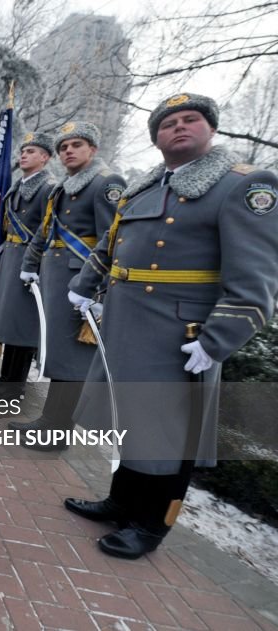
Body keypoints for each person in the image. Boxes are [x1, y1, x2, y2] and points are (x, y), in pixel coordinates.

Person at [65, 94, 278, 559]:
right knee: (132, 421)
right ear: (156, 137)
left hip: (180, 335)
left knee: (168, 431)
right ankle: (121, 500)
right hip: (127, 324)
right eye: (168, 123)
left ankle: (150, 524)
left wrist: (217, 340)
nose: (179, 127)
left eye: (191, 119)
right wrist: (86, 283)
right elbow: (110, 242)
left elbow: (256, 282)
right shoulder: (146, 187)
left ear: (211, 129)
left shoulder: (243, 186)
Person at [12, 122, 125, 449]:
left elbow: (113, 240)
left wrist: (98, 291)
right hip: (57, 278)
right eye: (64, 147)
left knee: (72, 360)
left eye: (77, 144)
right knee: (58, 356)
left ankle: (58, 432)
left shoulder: (106, 183)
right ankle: (49, 420)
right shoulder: (66, 185)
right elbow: (48, 232)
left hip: (81, 283)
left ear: (93, 149)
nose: (69, 151)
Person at [0, 132, 57, 398]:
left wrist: (32, 264)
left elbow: (47, 229)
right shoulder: (18, 185)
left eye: (32, 151)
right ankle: (5, 377)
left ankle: (16, 386)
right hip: (11, 255)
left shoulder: (48, 187)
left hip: (29, 260)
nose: (24, 154)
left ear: (45, 157)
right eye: (23, 150)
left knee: (23, 324)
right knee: (9, 320)